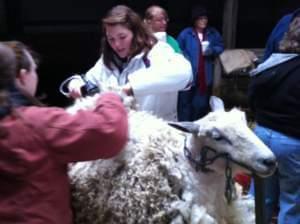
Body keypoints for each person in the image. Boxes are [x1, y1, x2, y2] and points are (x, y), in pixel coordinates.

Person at [0, 41, 128, 223]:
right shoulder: (34, 124)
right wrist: (110, 97)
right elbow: (109, 131)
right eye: (34, 70)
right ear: (22, 77)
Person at [60, 5, 192, 121]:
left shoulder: (159, 51)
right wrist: (76, 83)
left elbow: (185, 75)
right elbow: (89, 80)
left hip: (158, 140)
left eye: (122, 37)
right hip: (125, 141)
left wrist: (131, 87)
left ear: (135, 33)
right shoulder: (108, 60)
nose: (117, 44)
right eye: (111, 39)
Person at [248, 17, 300, 224]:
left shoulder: (272, 62)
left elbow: (252, 96)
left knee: (261, 196)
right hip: (292, 140)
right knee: (292, 199)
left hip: (262, 134)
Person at [176, 5, 224, 121]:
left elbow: (220, 47)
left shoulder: (212, 33)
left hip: (205, 75)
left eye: (205, 18)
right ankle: (184, 128)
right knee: (184, 104)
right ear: (195, 20)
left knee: (200, 105)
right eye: (201, 18)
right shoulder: (186, 34)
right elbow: (178, 50)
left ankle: (196, 128)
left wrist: (211, 50)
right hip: (189, 75)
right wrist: (185, 57)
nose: (204, 21)